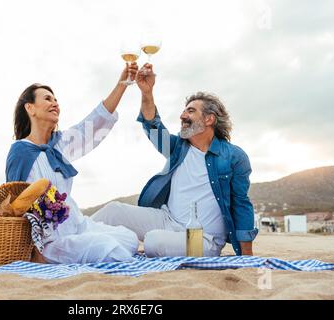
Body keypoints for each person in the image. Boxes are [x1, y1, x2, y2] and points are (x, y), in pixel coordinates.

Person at [92, 63, 258, 257]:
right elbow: (152, 125)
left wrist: (247, 258)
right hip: (166, 219)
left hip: (203, 238)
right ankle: (67, 238)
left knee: (154, 240)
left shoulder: (234, 157)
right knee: (113, 211)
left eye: (190, 111)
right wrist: (147, 92)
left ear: (209, 119)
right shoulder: (178, 147)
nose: (182, 116)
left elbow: (241, 204)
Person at [5, 64, 140, 264]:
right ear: (30, 108)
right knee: (108, 249)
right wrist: (32, 247)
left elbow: (94, 123)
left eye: (56, 100)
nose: (55, 103)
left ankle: (90, 251)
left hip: (78, 225)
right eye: (48, 99)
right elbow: (14, 204)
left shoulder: (60, 143)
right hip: (51, 240)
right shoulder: (20, 151)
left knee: (130, 240)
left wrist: (122, 84)